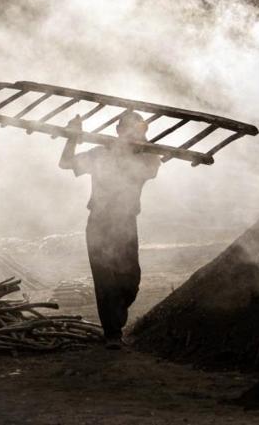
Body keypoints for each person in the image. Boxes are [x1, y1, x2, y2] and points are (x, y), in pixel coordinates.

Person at [59, 112, 161, 350]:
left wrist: (138, 147)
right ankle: (112, 334)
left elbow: (152, 168)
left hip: (125, 223)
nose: (135, 134)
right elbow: (66, 163)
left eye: (140, 130)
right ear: (118, 130)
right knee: (105, 281)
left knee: (130, 280)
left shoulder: (146, 157)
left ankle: (115, 320)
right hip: (99, 222)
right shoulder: (99, 154)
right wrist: (72, 136)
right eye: (130, 129)